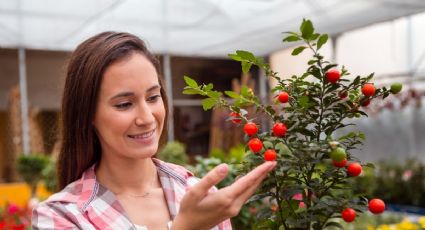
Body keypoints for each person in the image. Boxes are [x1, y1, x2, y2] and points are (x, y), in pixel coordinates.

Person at [31, 31, 276, 230]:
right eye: (124, 104)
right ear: (88, 114)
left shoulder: (197, 194)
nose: (147, 118)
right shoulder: (62, 216)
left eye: (153, 97)